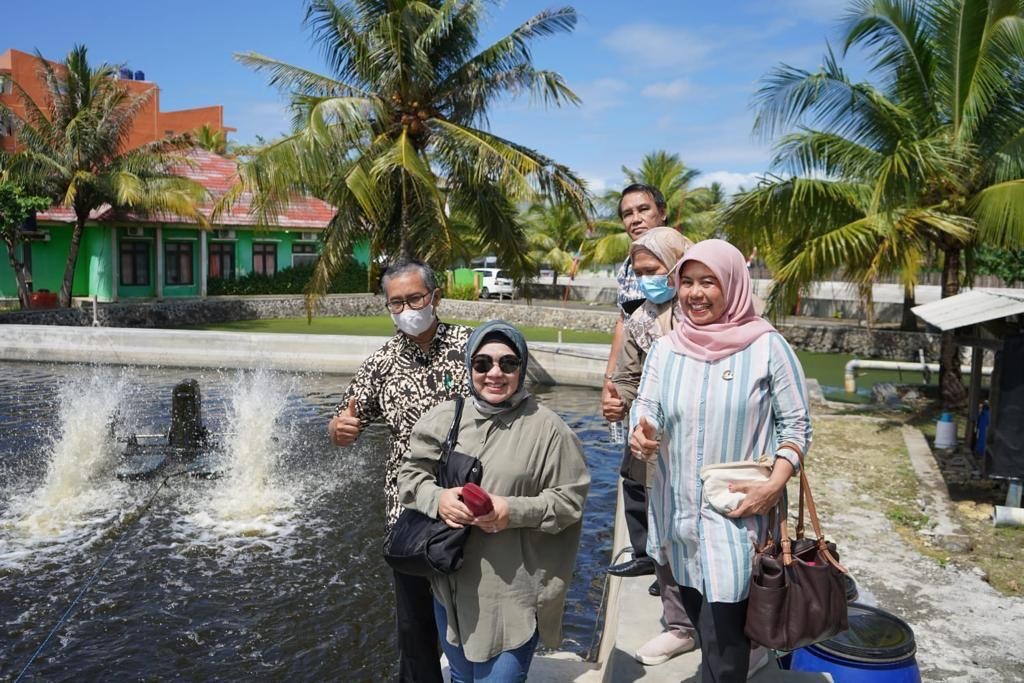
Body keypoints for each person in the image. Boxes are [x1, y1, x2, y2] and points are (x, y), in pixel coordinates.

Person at [630, 239, 810, 682]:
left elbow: (797, 427)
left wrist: (774, 485)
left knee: (727, 644)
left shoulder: (768, 347)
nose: (695, 293)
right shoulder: (667, 349)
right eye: (686, 282)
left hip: (738, 519)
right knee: (706, 633)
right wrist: (641, 433)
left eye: (707, 282)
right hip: (678, 517)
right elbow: (645, 404)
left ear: (732, 284)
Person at [398, 320, 590, 682]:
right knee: (459, 675)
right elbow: (410, 476)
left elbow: (571, 501)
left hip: (513, 593)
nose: (495, 373)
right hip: (450, 586)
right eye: (483, 363)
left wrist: (511, 511)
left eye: (508, 363)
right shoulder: (446, 417)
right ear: (470, 366)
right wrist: (438, 498)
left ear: (522, 367)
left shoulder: (549, 430)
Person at [328, 258, 471, 683]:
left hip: (468, 504)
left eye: (415, 298)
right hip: (406, 509)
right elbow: (345, 418)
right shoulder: (381, 363)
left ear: (435, 297)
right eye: (397, 302)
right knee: (413, 625)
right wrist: (340, 429)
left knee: (474, 611)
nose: (408, 308)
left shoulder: (472, 348)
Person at [602, 227, 697, 666]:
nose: (647, 280)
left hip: (707, 442)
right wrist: (617, 399)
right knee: (662, 529)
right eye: (639, 273)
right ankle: (679, 625)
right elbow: (626, 373)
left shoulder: (705, 309)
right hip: (654, 442)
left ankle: (733, 629)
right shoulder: (642, 318)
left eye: (654, 270)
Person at [603, 183, 669, 580]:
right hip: (633, 378)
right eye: (628, 213)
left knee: (659, 472)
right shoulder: (629, 266)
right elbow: (623, 324)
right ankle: (644, 551)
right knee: (633, 470)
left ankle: (666, 563)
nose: (635, 219)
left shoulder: (679, 255)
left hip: (665, 380)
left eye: (643, 209)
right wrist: (610, 380)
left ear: (662, 211)